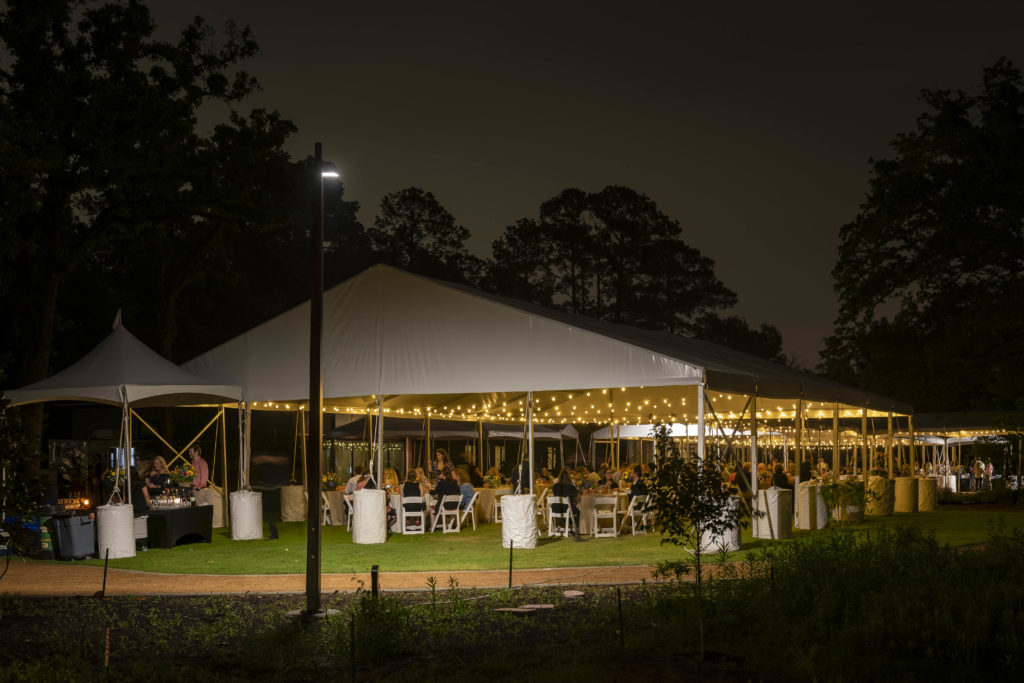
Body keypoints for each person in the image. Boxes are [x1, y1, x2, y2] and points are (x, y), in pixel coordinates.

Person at [551, 468, 582, 540]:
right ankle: (576, 530)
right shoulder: (572, 487)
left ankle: (563, 527)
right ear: (569, 477)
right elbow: (575, 499)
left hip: (555, 508)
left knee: (572, 510)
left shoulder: (555, 486)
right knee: (577, 512)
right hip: (566, 508)